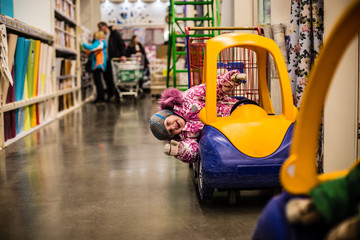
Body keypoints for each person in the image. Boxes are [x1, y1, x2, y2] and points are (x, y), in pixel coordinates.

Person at [149, 70, 247, 163]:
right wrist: (180, 151)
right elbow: (194, 151)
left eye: (168, 123)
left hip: (238, 110)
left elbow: (211, 89)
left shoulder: (187, 98)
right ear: (172, 136)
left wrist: (230, 79)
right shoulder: (186, 136)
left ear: (168, 114)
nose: (173, 127)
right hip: (229, 135)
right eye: (170, 131)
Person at [97, 21, 126, 101]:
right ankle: (110, 94)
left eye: (100, 27)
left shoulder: (114, 34)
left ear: (105, 26)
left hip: (114, 59)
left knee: (115, 77)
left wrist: (122, 55)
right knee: (107, 77)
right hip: (105, 60)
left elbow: (121, 44)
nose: (99, 29)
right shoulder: (101, 36)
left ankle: (117, 94)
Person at [82, 31, 107, 104]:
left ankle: (101, 99)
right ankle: (99, 98)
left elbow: (91, 48)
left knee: (98, 82)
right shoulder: (100, 43)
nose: (93, 36)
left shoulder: (100, 42)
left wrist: (81, 43)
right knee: (97, 82)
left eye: (94, 35)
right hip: (97, 64)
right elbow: (92, 51)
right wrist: (84, 50)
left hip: (98, 64)